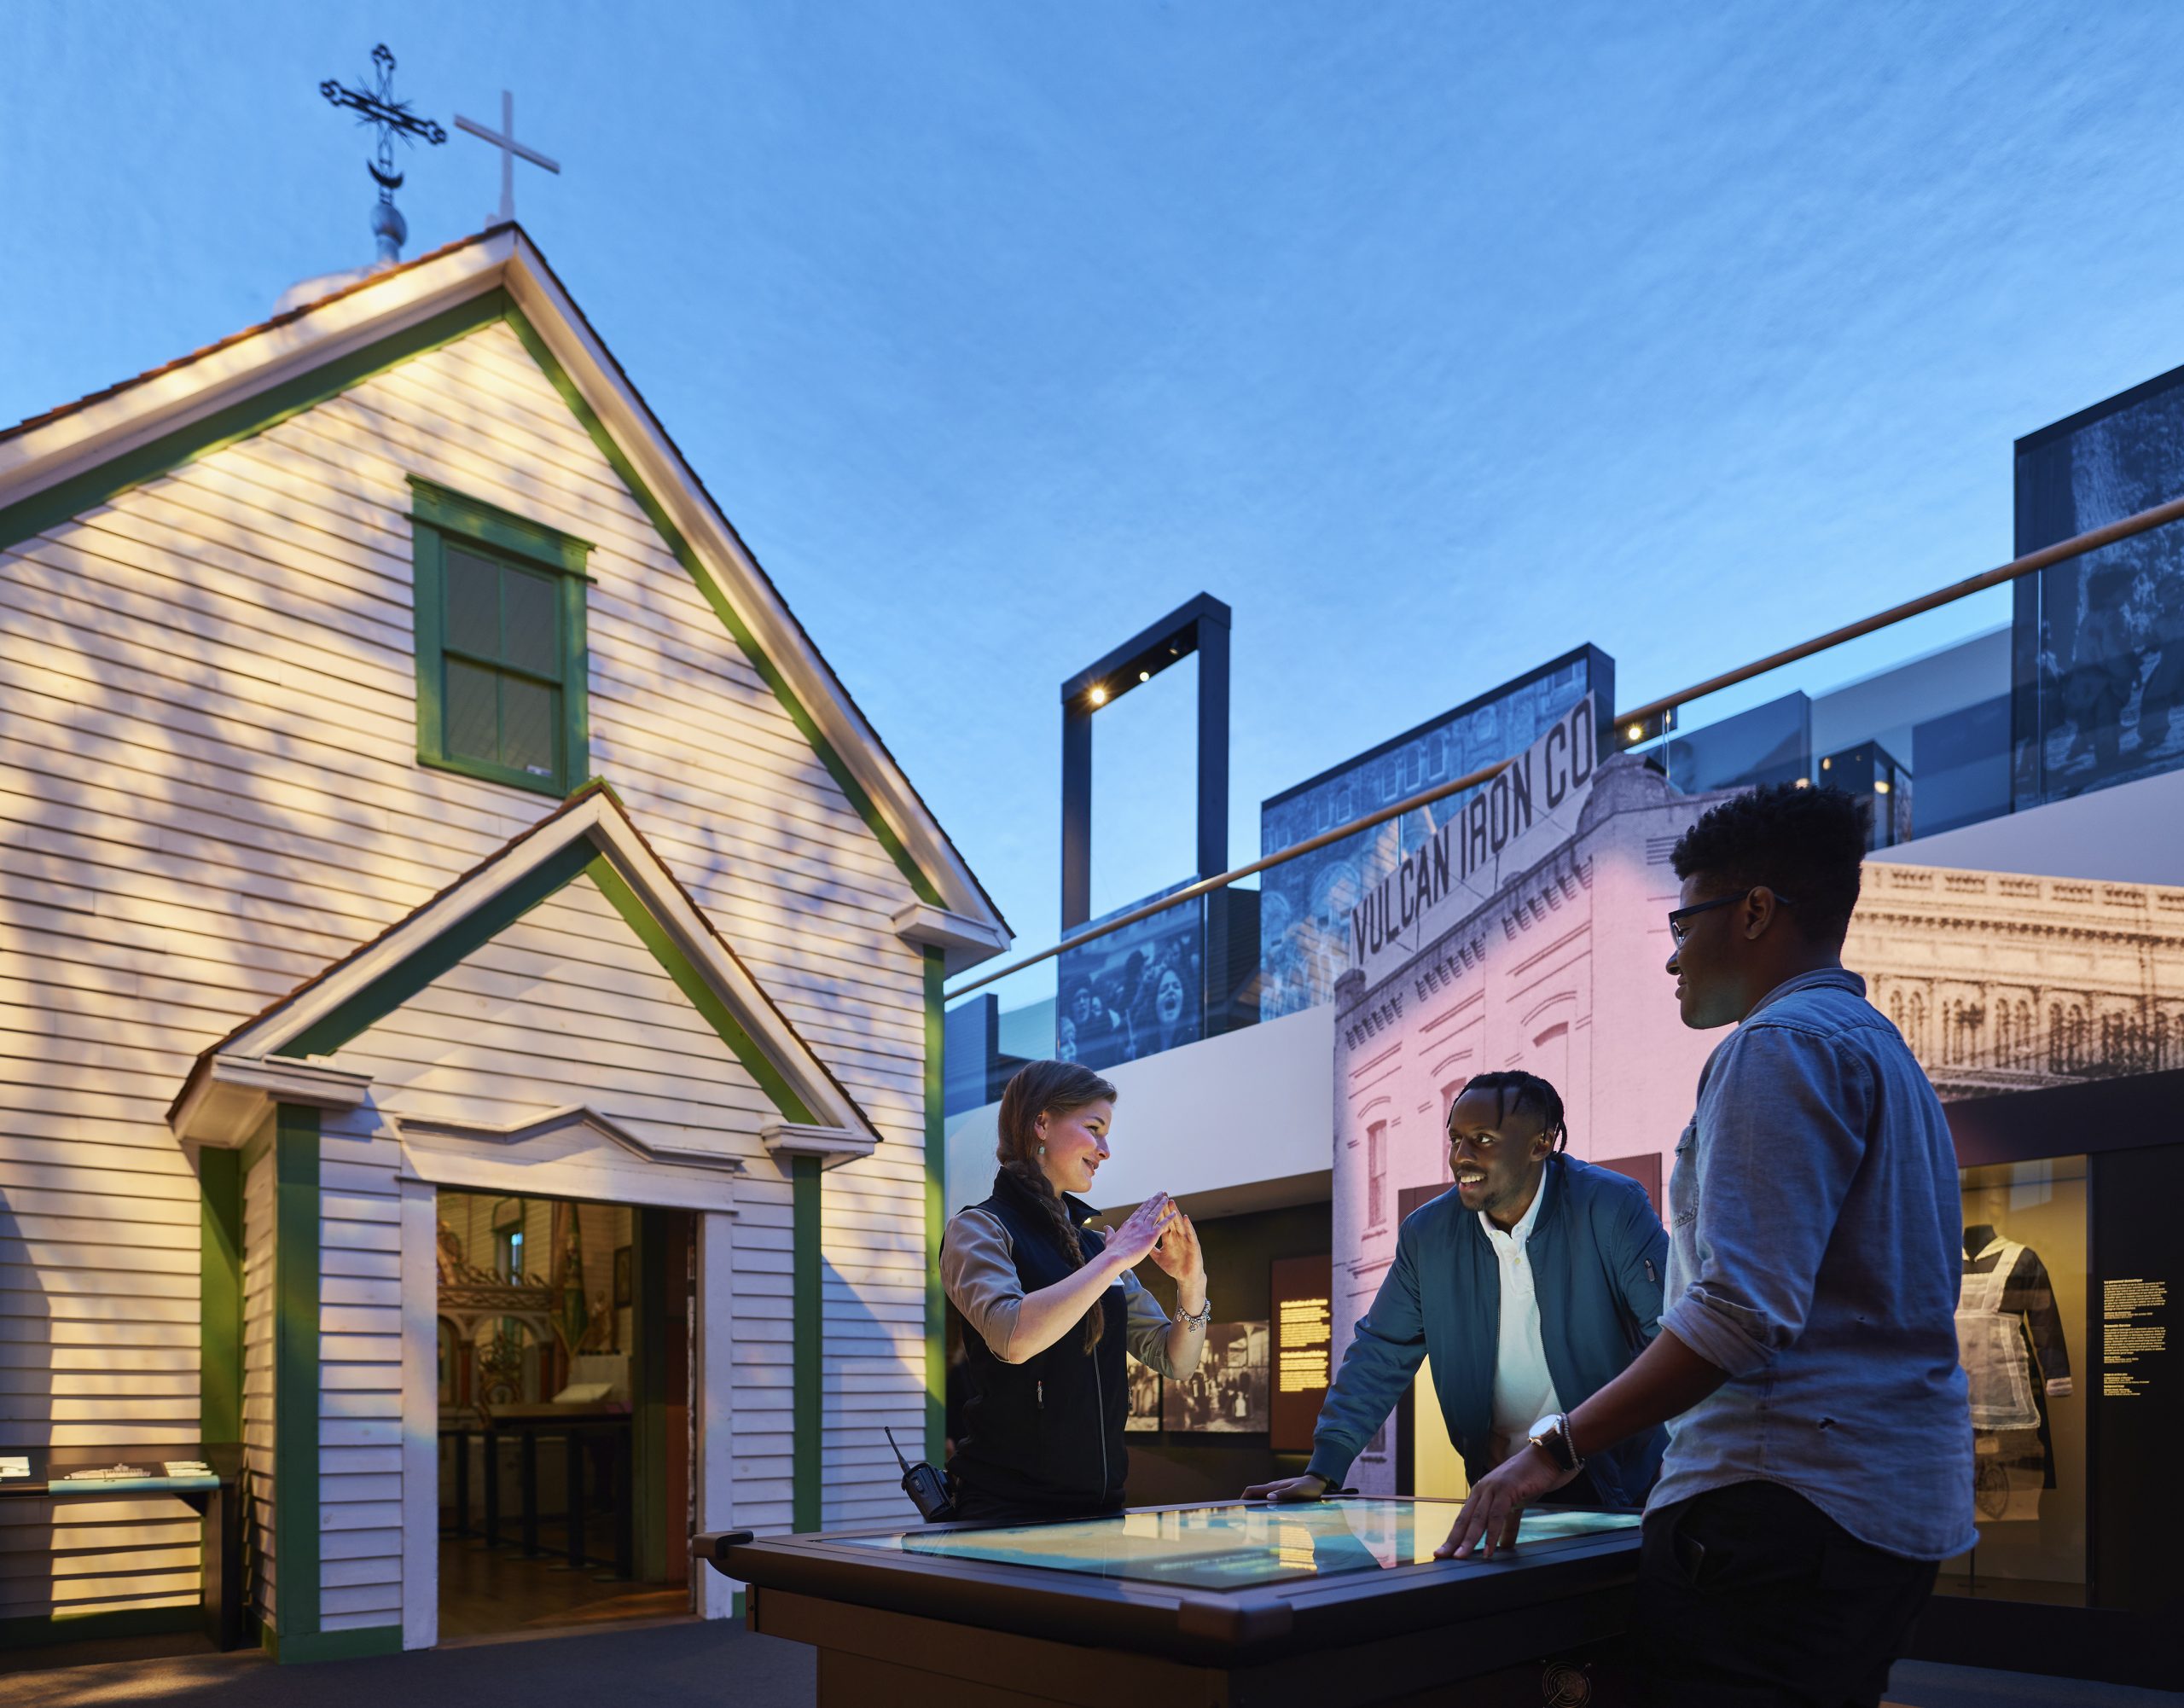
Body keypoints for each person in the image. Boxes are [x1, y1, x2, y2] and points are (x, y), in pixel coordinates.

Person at [1438, 782, 1975, 1708]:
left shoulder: (1777, 1045)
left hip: (1775, 1510)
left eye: (1685, 923)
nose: (1673, 956)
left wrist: (1551, 1448)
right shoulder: (1878, 1049)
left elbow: (1736, 1313)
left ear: (1757, 911)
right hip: (1878, 1511)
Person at [1245, 1070, 1669, 1512]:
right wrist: (1324, 1470)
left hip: (1622, 1481)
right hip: (1499, 1487)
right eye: (1455, 1139)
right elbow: (1381, 1351)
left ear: (1541, 1143)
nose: (1461, 1157)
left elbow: (1676, 1336)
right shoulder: (1427, 1234)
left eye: (1483, 1139)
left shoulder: (1612, 1206)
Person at [940, 1060, 1209, 1523]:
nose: (1105, 1150)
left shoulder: (1095, 1247)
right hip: (1007, 1514)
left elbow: (1177, 1361)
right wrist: (1113, 1260)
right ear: (1040, 1123)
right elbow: (1014, 1338)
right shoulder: (979, 1228)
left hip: (1100, 1510)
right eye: (1093, 1128)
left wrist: (1191, 1282)